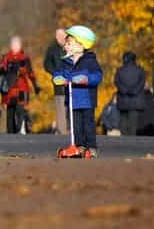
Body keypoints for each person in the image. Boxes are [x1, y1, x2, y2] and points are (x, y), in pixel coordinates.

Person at [52, 25, 103, 157]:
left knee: (88, 125)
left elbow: (98, 76)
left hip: (86, 99)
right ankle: (78, 146)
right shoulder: (66, 62)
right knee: (75, 126)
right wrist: (58, 77)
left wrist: (86, 79)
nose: (65, 47)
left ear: (81, 45)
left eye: (69, 44)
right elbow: (58, 73)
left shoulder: (89, 61)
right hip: (72, 100)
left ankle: (91, 148)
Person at [0, 36, 40, 134]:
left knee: (20, 109)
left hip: (22, 88)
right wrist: (2, 68)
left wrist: (35, 85)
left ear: (20, 46)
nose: (16, 46)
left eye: (18, 44)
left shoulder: (25, 58)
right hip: (9, 88)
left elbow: (30, 73)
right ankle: (11, 133)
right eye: (14, 44)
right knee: (10, 110)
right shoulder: (6, 57)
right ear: (11, 46)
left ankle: (19, 129)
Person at [114, 51, 146, 136]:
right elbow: (142, 82)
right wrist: (134, 91)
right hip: (136, 99)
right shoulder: (140, 70)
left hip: (123, 98)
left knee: (123, 119)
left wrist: (124, 90)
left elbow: (117, 82)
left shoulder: (120, 70)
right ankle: (132, 137)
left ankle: (124, 136)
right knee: (133, 120)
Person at [43, 28, 68, 135]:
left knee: (71, 106)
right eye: (58, 36)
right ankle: (62, 131)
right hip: (59, 82)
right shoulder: (52, 49)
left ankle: (72, 130)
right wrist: (55, 73)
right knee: (61, 105)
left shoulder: (70, 46)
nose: (61, 38)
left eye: (62, 35)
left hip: (72, 80)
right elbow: (46, 64)